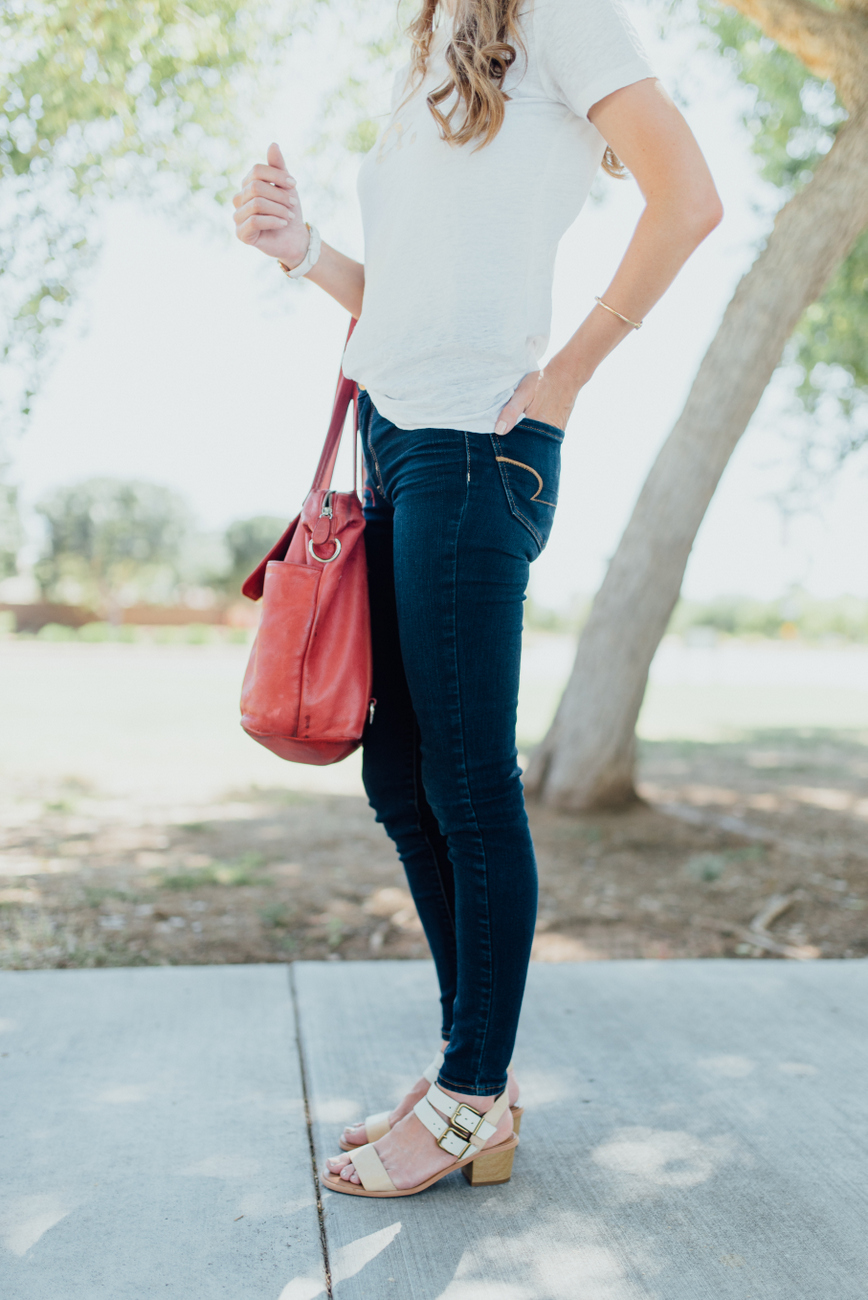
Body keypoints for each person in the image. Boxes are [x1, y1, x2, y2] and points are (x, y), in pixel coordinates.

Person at [233, 0, 722, 1198]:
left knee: (462, 778)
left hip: (476, 443)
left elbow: (691, 199)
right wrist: (299, 248)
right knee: (397, 775)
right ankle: (474, 1076)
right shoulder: (431, 48)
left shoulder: (561, 14)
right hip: (395, 437)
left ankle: (469, 1093)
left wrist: (560, 382)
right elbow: (401, 291)